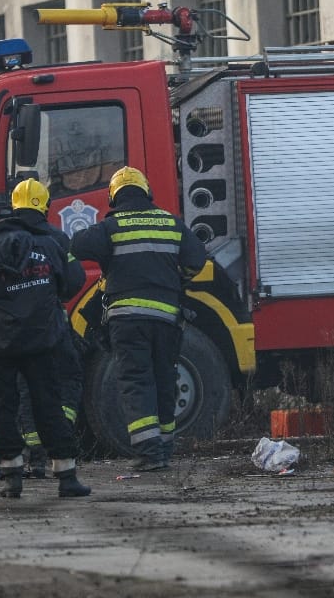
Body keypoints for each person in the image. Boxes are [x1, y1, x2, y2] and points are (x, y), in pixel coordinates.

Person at [0, 178, 90, 498]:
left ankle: (12, 479)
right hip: (42, 341)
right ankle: (67, 477)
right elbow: (71, 284)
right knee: (49, 403)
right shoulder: (50, 245)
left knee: (3, 408)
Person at [69, 166, 207, 471]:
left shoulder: (112, 227)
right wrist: (176, 278)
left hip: (128, 321)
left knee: (136, 381)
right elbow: (197, 258)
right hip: (167, 319)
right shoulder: (171, 223)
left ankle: (149, 452)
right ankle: (165, 448)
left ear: (114, 197)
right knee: (164, 379)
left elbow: (76, 245)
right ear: (147, 192)